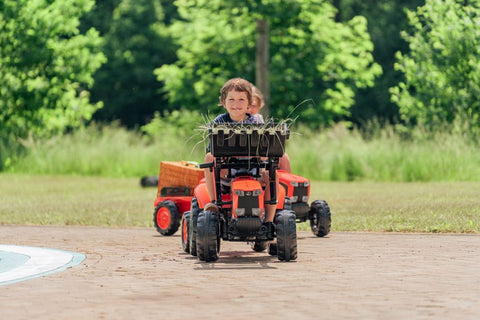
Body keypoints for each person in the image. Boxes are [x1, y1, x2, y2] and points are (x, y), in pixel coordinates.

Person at [204, 77, 277, 226]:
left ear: (250, 103)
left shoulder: (256, 122)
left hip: (253, 170)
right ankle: (214, 203)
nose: (236, 104)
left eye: (241, 100)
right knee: (208, 157)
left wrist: (263, 155)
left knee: (273, 173)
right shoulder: (219, 122)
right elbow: (213, 148)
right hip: (226, 170)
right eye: (231, 99)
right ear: (224, 102)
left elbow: (263, 152)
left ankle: (270, 221)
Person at [249, 86, 292, 173]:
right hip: (243, 152)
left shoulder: (258, 119)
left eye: (254, 106)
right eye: (248, 106)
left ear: (259, 105)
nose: (251, 109)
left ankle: (285, 182)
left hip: (259, 151)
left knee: (284, 157)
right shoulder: (238, 119)